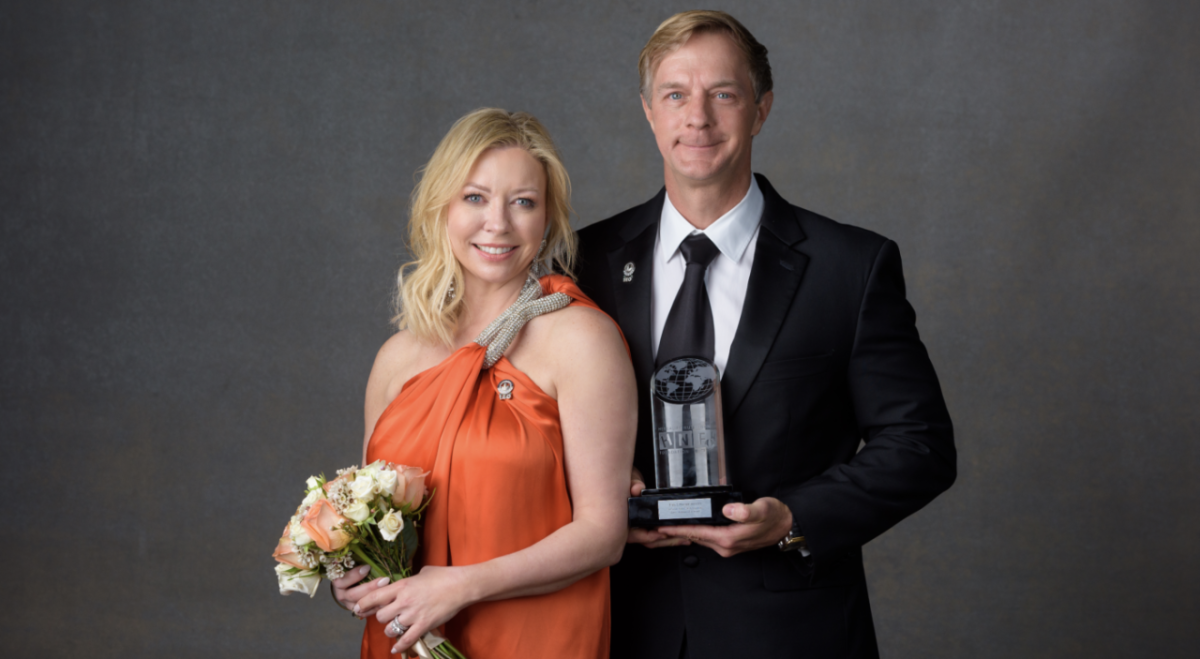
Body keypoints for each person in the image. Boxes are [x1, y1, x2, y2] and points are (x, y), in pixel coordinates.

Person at [575, 11, 956, 659]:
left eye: (723, 93)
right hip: (619, 622)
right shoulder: (586, 261)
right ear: (648, 111)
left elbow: (920, 446)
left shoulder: (851, 267)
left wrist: (793, 517)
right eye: (675, 95)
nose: (697, 117)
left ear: (761, 108)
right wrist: (603, 494)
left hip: (791, 631)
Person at [330, 108, 637, 658]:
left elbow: (603, 533)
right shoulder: (397, 358)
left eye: (523, 202)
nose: (498, 223)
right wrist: (351, 571)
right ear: (441, 208)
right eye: (475, 197)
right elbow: (376, 519)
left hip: (535, 638)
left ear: (547, 218)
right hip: (407, 638)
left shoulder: (581, 340)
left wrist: (460, 585)